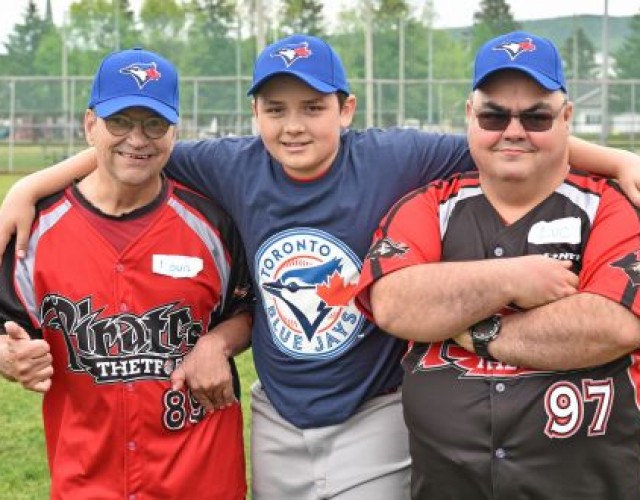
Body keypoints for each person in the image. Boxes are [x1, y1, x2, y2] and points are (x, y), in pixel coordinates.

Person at [1, 34, 640, 499]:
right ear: (255, 116)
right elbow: (134, 149)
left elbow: (505, 136)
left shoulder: (395, 157)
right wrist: (29, 186)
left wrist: (612, 161)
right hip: (278, 414)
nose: (293, 126)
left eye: (313, 107)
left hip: (374, 411)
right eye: (275, 110)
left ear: (347, 109)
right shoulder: (232, 163)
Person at [355, 31, 640, 499]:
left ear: (567, 118)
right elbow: (395, 303)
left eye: (536, 116)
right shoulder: (429, 206)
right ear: (469, 116)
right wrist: (510, 279)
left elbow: (612, 324)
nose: (513, 130)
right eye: (493, 114)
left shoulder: (612, 207)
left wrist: (477, 331)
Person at [0, 48, 253, 499]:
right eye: (120, 121)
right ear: (89, 125)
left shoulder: (210, 225)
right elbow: (4, 331)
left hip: (201, 479)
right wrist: (5, 356)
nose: (138, 139)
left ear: (174, 133)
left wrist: (219, 340)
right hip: (87, 481)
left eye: (154, 123)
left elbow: (250, 307)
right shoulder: (35, 232)